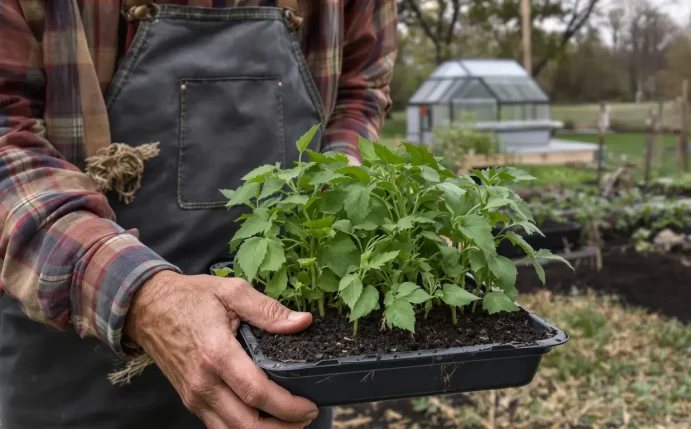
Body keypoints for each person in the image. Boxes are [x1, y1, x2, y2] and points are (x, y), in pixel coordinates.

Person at [0, 1, 396, 428]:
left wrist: (342, 188)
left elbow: (360, 88)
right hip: (79, 353)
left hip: (285, 358)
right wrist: (144, 298)